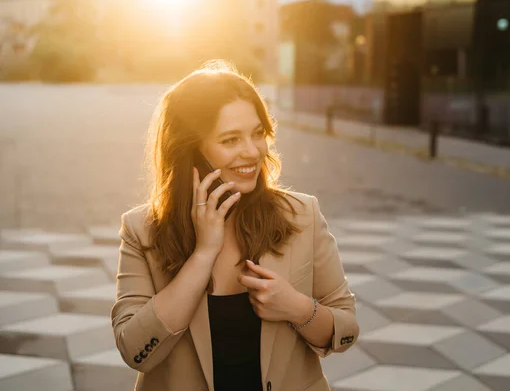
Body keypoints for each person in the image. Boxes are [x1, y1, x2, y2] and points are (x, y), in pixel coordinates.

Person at [111, 60, 359, 391]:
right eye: (230, 140)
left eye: (258, 134)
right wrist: (202, 255)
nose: (252, 152)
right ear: (190, 151)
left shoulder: (302, 215)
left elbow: (347, 329)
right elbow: (135, 351)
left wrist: (297, 308)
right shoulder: (142, 230)